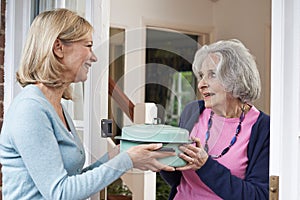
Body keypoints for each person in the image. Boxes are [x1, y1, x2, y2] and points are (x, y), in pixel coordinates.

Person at [0, 8, 176, 200]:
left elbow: (74, 180)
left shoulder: (56, 107)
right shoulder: (30, 109)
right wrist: (127, 160)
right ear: (58, 47)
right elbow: (60, 193)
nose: (94, 57)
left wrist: (120, 152)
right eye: (88, 46)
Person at [160, 39, 270, 199]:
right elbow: (178, 180)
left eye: (212, 75)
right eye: (201, 76)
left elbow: (259, 196)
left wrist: (205, 165)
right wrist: (164, 159)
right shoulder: (192, 111)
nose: (201, 84)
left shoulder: (263, 128)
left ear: (236, 78)